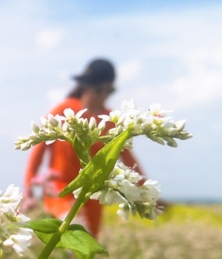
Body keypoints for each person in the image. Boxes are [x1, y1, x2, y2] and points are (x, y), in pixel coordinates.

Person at [22, 58, 144, 239]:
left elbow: (127, 156)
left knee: (87, 246)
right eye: (99, 90)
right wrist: (28, 188)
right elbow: (38, 149)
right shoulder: (64, 111)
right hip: (60, 189)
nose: (103, 95)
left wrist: (143, 191)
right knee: (74, 233)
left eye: (108, 90)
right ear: (86, 86)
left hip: (93, 196)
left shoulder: (112, 119)